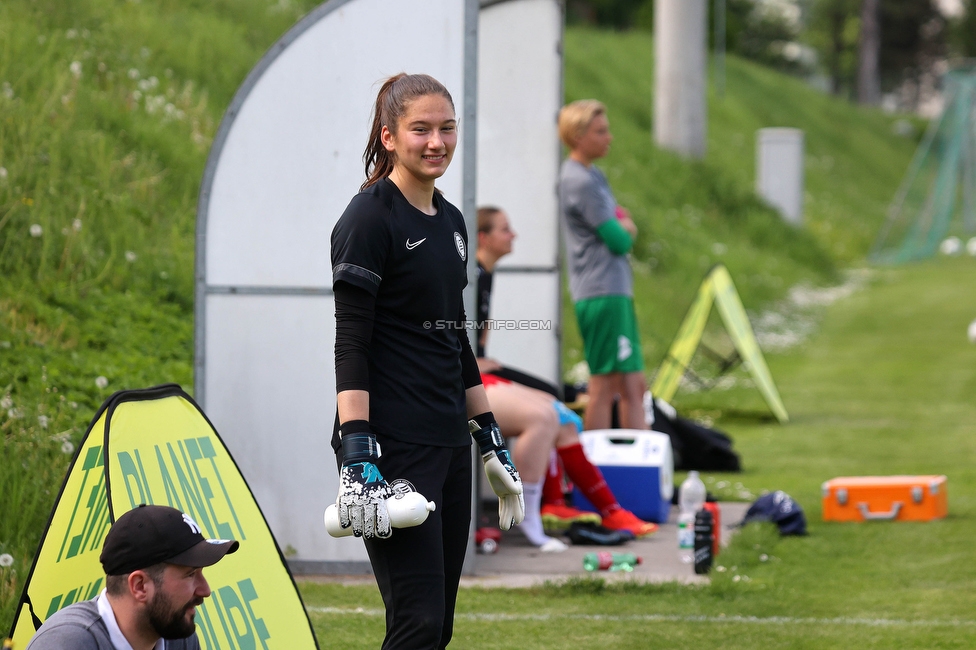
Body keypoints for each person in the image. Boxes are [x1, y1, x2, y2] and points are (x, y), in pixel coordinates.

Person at [330, 73, 523, 650]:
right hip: (391, 446)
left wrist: (489, 437)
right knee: (417, 622)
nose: (436, 141)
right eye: (420, 129)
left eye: (446, 128)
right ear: (389, 137)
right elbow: (351, 344)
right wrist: (358, 450)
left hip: (445, 441)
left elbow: (453, 338)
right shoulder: (368, 219)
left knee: (437, 626)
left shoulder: (454, 222)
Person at [476, 207, 658, 544]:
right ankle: (547, 509)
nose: (513, 235)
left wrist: (481, 357)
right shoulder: (471, 274)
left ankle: (578, 505)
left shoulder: (485, 274)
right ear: (483, 238)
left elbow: (479, 337)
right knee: (552, 409)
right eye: (505, 229)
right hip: (461, 380)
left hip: (476, 372)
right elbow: (453, 334)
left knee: (560, 411)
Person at [26, 504, 239, 650]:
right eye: (190, 574)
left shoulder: (176, 636)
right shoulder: (68, 644)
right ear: (139, 586)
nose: (205, 590)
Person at [557, 100, 648, 432]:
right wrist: (626, 225)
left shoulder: (593, 175)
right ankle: (594, 473)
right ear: (578, 136)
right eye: (600, 131)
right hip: (601, 292)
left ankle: (643, 471)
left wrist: (622, 222)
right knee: (604, 386)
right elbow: (620, 239)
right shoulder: (578, 180)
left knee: (634, 386)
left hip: (613, 290)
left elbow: (618, 219)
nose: (609, 137)